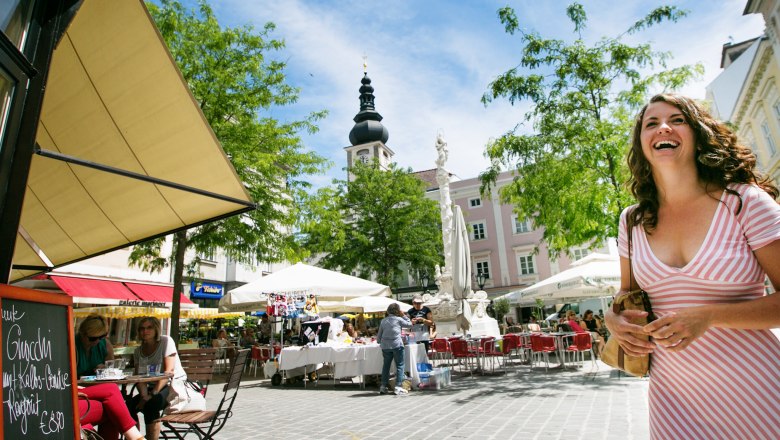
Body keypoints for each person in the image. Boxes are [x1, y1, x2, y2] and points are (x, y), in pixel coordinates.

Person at [605, 93, 780, 439]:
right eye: (650, 123)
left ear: (698, 134)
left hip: (758, 396)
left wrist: (710, 315)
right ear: (641, 143)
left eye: (677, 119)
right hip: (674, 403)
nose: (663, 128)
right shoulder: (631, 221)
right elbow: (627, 294)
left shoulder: (744, 202)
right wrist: (613, 319)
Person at [129, 317, 188, 440]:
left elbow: (169, 372)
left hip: (172, 385)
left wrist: (151, 395)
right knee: (127, 406)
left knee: (151, 405)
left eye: (149, 327)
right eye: (142, 328)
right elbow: (138, 376)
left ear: (156, 328)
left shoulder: (166, 341)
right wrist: (144, 396)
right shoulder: (138, 351)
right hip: (150, 388)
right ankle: (135, 437)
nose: (145, 331)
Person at [79, 383, 144, 440]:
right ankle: (136, 437)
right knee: (112, 392)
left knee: (112, 404)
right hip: (69, 404)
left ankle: (136, 437)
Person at [376, 303, 412, 395]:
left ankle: (383, 386)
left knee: (386, 366)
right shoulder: (399, 319)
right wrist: (403, 315)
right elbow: (410, 324)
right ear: (397, 311)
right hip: (397, 345)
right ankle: (398, 387)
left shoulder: (383, 321)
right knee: (400, 365)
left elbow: (379, 335)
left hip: (385, 346)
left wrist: (379, 341)